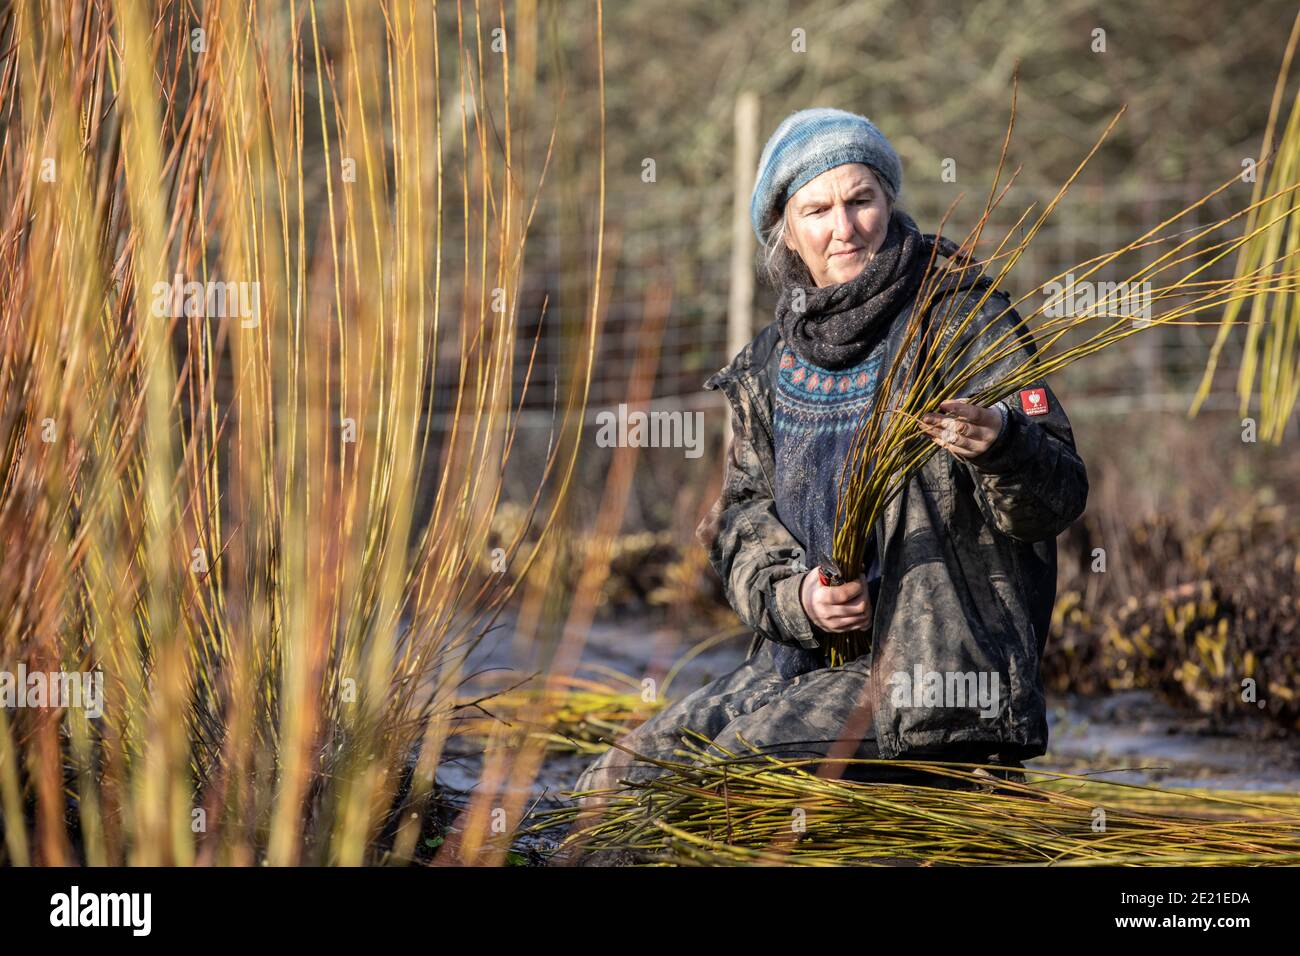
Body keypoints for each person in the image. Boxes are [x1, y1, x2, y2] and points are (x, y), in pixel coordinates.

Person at [570, 107, 1088, 812]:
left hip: (932, 683)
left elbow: (1057, 496)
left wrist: (1002, 442)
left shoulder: (962, 321)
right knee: (613, 784)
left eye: (860, 200)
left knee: (716, 782)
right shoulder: (767, 364)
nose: (843, 228)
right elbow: (739, 525)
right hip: (802, 665)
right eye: (818, 209)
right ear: (786, 229)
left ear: (888, 201)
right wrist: (802, 600)